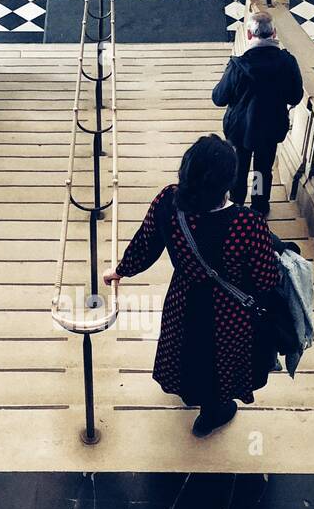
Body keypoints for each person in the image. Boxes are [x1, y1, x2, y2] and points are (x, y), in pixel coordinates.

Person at [104, 135, 281, 437]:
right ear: (228, 182)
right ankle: (212, 413)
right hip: (230, 313)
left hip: (184, 299)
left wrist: (120, 271)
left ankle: (190, 392)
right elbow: (266, 280)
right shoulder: (248, 223)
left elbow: (146, 245)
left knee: (186, 349)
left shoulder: (168, 202)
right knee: (220, 359)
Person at [211, 12, 304, 215]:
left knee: (239, 168)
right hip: (270, 129)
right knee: (262, 170)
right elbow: (295, 97)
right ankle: (259, 207)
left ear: (250, 35)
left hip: (239, 129)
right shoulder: (288, 62)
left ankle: (235, 204)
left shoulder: (237, 66)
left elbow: (219, 98)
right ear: (274, 33)